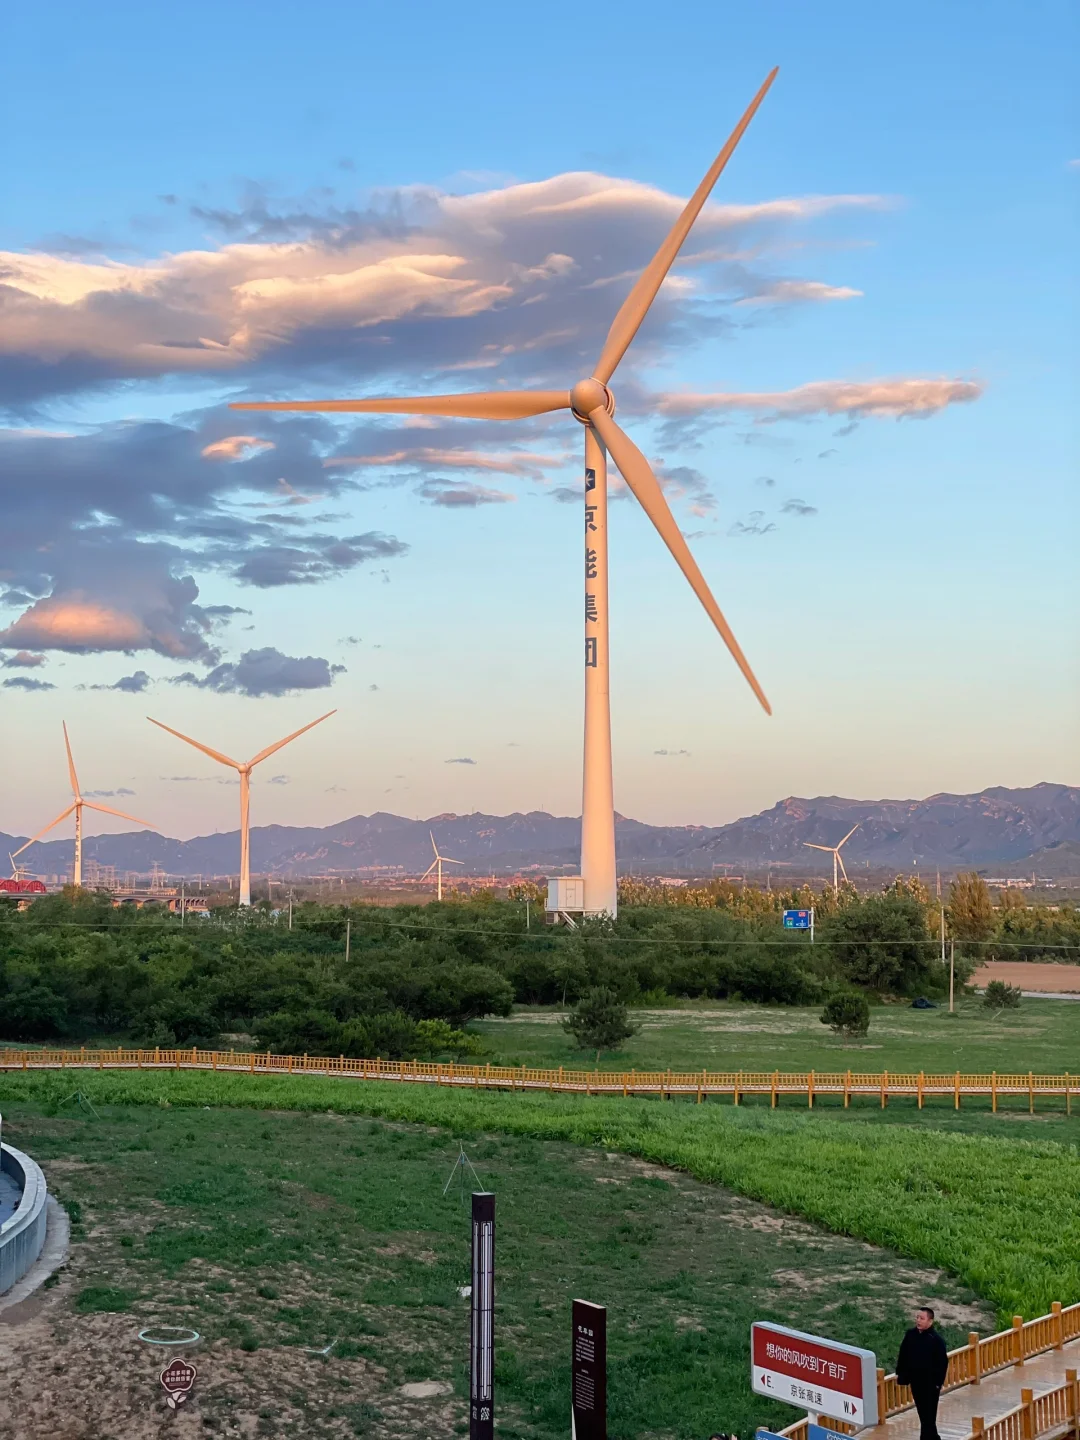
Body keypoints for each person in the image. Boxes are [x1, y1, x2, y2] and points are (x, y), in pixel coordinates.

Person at [897, 1306, 950, 1440]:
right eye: (917, 1317)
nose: (918, 1320)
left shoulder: (936, 1340)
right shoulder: (910, 1335)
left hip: (931, 1385)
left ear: (930, 1321)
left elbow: (942, 1363)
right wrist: (902, 1374)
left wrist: (938, 1383)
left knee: (929, 1415)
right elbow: (903, 1355)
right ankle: (933, 1438)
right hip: (916, 1382)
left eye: (922, 1318)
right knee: (923, 1413)